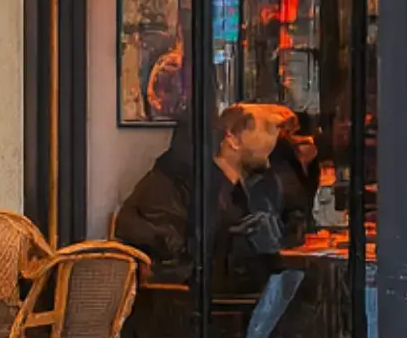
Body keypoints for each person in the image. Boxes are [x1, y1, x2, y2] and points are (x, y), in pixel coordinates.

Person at [115, 102, 292, 293]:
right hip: (185, 302)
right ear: (232, 138)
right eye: (264, 129)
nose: (273, 139)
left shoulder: (242, 186)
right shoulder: (178, 185)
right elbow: (175, 264)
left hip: (224, 296)